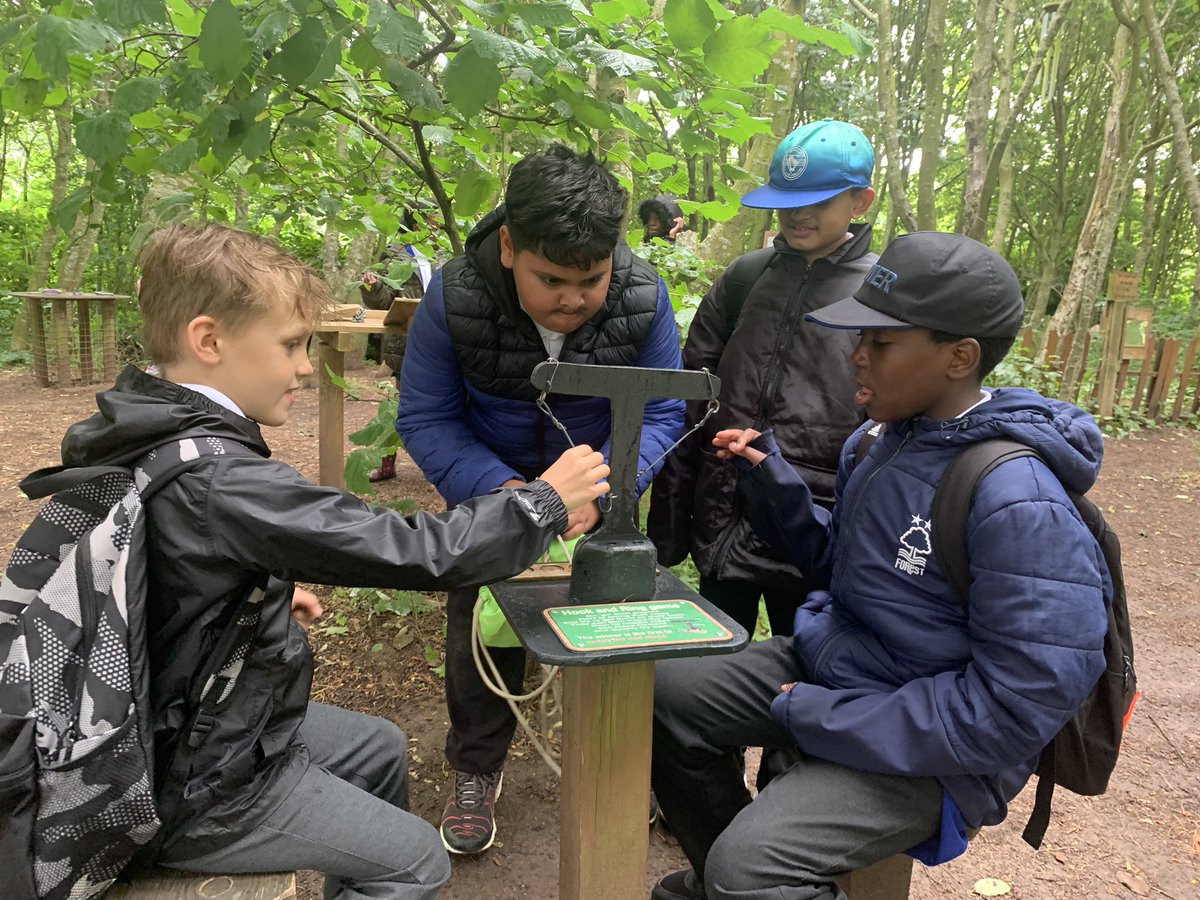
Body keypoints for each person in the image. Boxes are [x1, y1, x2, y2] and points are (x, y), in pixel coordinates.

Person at [45, 222, 610, 900]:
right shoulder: (223, 481)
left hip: (181, 725)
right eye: (291, 345)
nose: (307, 365)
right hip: (195, 781)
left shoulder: (147, 424)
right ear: (209, 341)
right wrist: (543, 503)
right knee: (416, 863)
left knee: (376, 749)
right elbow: (411, 551)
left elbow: (170, 569)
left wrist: (258, 594)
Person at [648, 232, 1110, 900]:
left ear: (961, 357)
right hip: (845, 672)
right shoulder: (878, 440)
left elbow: (1014, 708)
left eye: (881, 343)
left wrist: (823, 718)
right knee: (659, 695)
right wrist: (775, 490)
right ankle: (729, 877)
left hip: (939, 752)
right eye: (858, 335)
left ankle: (741, 878)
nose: (855, 356)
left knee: (748, 868)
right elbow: (849, 567)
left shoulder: (1018, 499)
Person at [397, 144, 686, 856]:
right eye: (550, 278)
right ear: (507, 247)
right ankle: (476, 765)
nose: (573, 297)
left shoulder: (643, 296)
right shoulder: (454, 297)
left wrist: (610, 487)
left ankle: (625, 767)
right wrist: (506, 495)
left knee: (618, 624)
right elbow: (428, 416)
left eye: (590, 278)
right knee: (481, 628)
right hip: (495, 487)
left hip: (600, 490)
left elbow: (663, 412)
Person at [647, 118, 878, 640]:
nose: (798, 214)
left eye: (818, 201)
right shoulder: (745, 278)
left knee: (801, 682)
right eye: (788, 198)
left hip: (812, 534)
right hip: (722, 518)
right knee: (711, 673)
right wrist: (667, 528)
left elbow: (889, 425)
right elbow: (689, 400)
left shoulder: (881, 295)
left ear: (860, 203)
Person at [359, 221, 435, 482]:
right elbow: (384, 301)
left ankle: (438, 464)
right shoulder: (394, 252)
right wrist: (373, 287)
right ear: (416, 220)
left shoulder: (443, 250)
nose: (434, 221)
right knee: (399, 407)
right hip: (406, 342)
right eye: (430, 216)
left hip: (440, 339)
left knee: (444, 406)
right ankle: (386, 465)